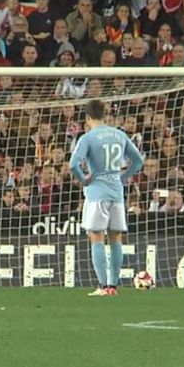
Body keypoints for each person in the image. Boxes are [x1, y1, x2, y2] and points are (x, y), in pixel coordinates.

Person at [69, 99, 145, 296]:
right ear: (105, 114)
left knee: (96, 237)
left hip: (97, 193)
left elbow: (73, 164)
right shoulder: (119, 135)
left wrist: (84, 180)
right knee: (116, 238)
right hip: (117, 193)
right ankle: (113, 286)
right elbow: (138, 161)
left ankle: (103, 286)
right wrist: (123, 178)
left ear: (87, 118)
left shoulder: (87, 138)